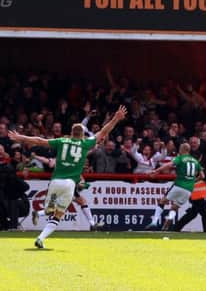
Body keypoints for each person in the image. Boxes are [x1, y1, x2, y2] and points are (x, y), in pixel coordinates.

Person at [8, 105, 127, 249]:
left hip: (55, 181)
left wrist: (20, 137)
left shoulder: (61, 141)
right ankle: (40, 238)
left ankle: (40, 231)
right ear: (83, 134)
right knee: (58, 214)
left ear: (71, 133)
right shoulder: (85, 143)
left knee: (50, 210)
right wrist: (116, 118)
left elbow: (39, 141)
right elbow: (103, 131)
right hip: (70, 184)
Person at [29, 153, 104, 231]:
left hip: (56, 186)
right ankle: (92, 224)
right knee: (56, 209)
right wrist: (83, 184)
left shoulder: (62, 160)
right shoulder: (71, 162)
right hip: (65, 186)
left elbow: (48, 162)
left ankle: (38, 213)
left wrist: (35, 156)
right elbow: (80, 180)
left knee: (54, 209)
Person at [147, 142, 203, 231]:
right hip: (188, 189)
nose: (179, 150)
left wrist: (156, 170)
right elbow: (202, 176)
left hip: (179, 185)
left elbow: (169, 164)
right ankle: (165, 227)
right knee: (174, 207)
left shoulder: (180, 158)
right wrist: (192, 181)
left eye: (180, 148)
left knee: (162, 201)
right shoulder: (195, 161)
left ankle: (154, 221)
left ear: (184, 149)